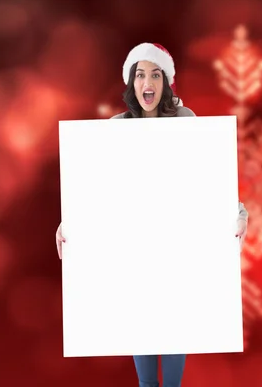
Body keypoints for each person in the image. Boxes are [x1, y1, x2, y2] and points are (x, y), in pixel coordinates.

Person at [55, 42, 249, 387]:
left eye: (155, 75)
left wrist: (239, 213)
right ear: (131, 82)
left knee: (173, 353)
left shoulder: (186, 121)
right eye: (140, 74)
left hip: (176, 249)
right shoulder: (116, 127)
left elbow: (209, 175)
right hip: (134, 253)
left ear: (166, 83)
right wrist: (68, 224)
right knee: (146, 376)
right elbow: (96, 190)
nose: (148, 81)